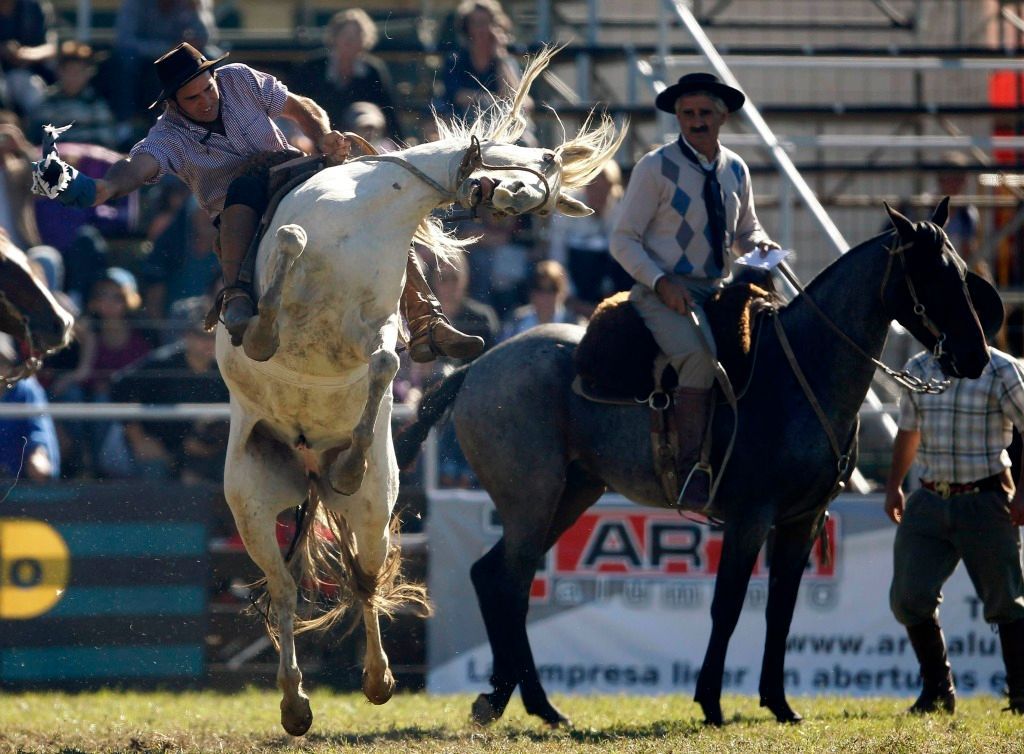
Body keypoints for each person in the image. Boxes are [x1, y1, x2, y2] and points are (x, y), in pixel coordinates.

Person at [32, 42, 482, 363]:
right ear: (173, 103)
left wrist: (321, 133)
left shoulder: (239, 79)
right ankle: (237, 294)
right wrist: (94, 190)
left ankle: (426, 320)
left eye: (207, 88)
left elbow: (299, 105)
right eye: (193, 98)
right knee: (243, 189)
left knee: (369, 218)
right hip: (237, 210)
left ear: (213, 76)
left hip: (296, 174)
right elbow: (133, 171)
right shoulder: (166, 137)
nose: (207, 99)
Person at [609, 72, 779, 506]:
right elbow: (622, 239)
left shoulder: (736, 168)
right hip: (661, 291)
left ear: (722, 117)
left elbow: (745, 230)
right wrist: (661, 282)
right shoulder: (655, 167)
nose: (695, 121)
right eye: (687, 113)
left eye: (704, 113)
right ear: (678, 117)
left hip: (717, 289)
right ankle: (689, 472)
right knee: (701, 359)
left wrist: (760, 244)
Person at [884, 288, 1024, 715]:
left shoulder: (1004, 371)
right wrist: (894, 485)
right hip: (929, 496)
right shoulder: (920, 368)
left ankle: (1021, 694)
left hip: (985, 498)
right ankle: (937, 689)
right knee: (908, 595)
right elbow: (908, 430)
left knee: (1006, 601)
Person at [109, 296, 229, 482]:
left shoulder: (225, 370)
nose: (209, 343)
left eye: (215, 336)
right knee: (155, 471)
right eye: (202, 335)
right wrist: (138, 439)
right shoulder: (162, 364)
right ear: (186, 335)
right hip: (160, 446)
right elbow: (120, 387)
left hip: (206, 449)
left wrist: (212, 441)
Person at [291, 9, 404, 143]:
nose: (350, 40)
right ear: (334, 37)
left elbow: (388, 111)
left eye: (357, 35)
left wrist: (400, 142)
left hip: (360, 139)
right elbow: (295, 103)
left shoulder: (373, 70)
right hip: (317, 135)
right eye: (346, 34)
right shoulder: (312, 67)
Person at [28, 39, 117, 149]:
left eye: (78, 72)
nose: (73, 77)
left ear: (88, 73)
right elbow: (37, 140)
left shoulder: (96, 104)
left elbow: (105, 140)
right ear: (59, 71)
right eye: (69, 71)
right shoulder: (47, 102)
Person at [0, 333, 59, 480]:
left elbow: (39, 430)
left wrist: (38, 454)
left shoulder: (26, 389)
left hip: (18, 482)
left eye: (1, 362)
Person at [502, 260, 581, 340]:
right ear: (531, 292)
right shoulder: (516, 320)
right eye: (539, 289)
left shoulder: (576, 325)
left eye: (551, 290)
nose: (545, 296)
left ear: (562, 292)